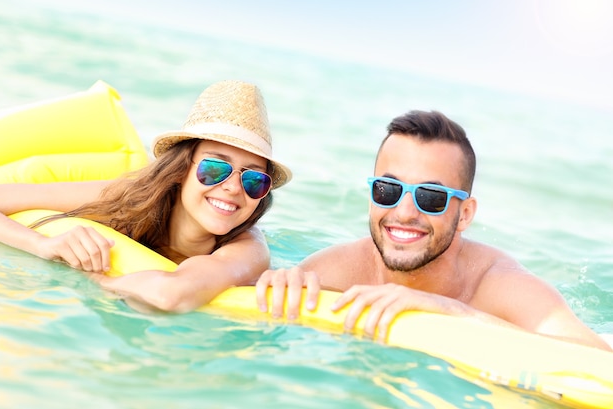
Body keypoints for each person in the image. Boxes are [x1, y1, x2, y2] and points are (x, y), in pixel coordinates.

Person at [256, 110, 611, 352]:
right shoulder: (337, 271)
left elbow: (596, 360)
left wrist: (452, 312)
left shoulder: (497, 286)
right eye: (388, 190)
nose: (404, 212)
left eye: (431, 197)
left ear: (466, 213)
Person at [0, 80, 291, 313]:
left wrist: (98, 281)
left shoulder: (248, 250)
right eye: (215, 168)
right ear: (181, 169)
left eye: (254, 179)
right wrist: (44, 245)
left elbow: (169, 295)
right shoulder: (128, 197)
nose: (234, 188)